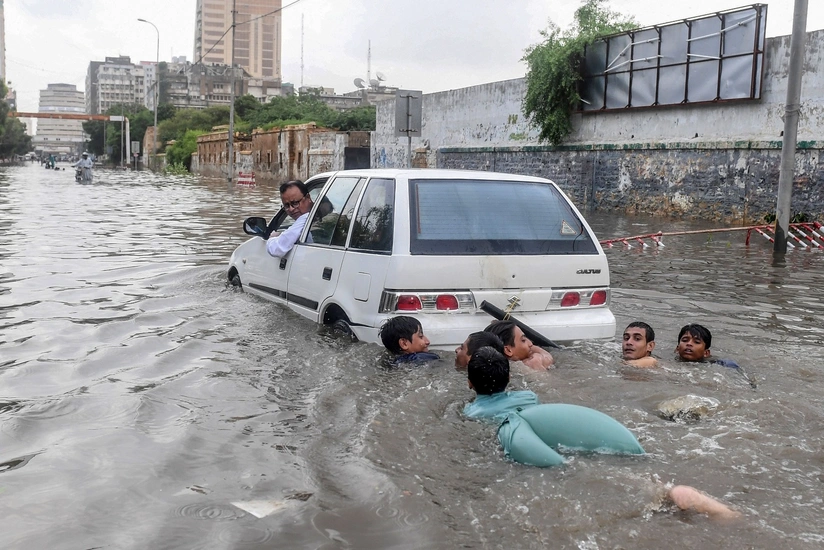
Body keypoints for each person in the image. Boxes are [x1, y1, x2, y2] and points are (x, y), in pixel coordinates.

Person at [465, 347, 741, 520]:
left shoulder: (472, 413)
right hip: (557, 433)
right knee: (610, 469)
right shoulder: (528, 397)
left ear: (469, 382)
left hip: (529, 448)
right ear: (509, 378)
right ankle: (671, 491)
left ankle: (667, 493)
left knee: (579, 472)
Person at [266, 180, 314, 257]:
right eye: (287, 206)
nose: (291, 209)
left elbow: (276, 249)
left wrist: (272, 238)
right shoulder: (319, 214)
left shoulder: (305, 219)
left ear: (308, 197)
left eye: (295, 203)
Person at [484, 320, 554, 370]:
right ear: (508, 350)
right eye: (523, 340)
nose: (530, 344)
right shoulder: (527, 365)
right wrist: (537, 358)